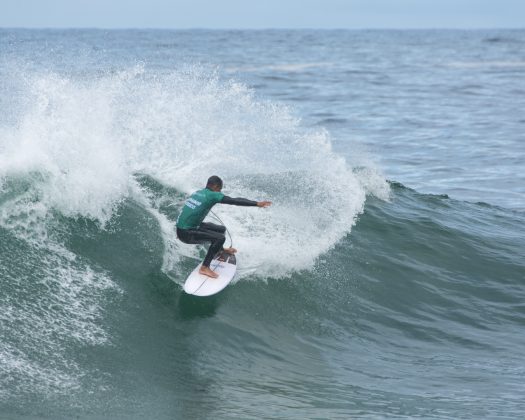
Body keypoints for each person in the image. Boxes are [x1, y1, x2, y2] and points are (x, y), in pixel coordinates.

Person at [176, 175, 272, 278]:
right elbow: (234, 200)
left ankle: (220, 250)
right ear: (216, 187)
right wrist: (257, 204)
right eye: (220, 189)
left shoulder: (198, 192)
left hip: (187, 227)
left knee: (221, 229)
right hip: (186, 233)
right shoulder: (213, 195)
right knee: (220, 238)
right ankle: (204, 268)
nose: (220, 192)